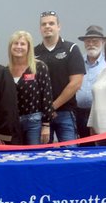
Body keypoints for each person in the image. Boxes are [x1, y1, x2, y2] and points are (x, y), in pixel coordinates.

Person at [34, 11, 85, 145]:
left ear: (58, 26)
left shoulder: (71, 49)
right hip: (41, 115)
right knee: (42, 156)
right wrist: (46, 111)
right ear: (40, 29)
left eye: (51, 23)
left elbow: (76, 83)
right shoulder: (33, 53)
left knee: (71, 154)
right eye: (44, 24)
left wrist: (52, 107)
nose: (47, 26)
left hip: (66, 112)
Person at [8, 31, 54, 145]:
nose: (19, 47)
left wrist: (46, 125)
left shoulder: (39, 67)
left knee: (35, 156)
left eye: (22, 44)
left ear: (29, 48)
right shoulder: (5, 70)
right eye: (15, 43)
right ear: (10, 47)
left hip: (34, 122)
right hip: (13, 123)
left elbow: (47, 97)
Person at [75, 26, 106, 144]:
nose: (91, 44)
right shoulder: (77, 61)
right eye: (88, 41)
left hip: (101, 114)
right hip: (79, 113)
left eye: (95, 41)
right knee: (83, 148)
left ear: (103, 42)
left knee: (101, 147)